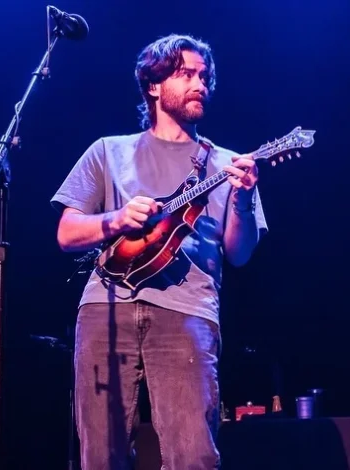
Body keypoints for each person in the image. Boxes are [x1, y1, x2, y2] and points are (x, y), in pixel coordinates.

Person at [50, 34, 268, 469]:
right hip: (105, 308)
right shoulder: (108, 151)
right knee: (102, 454)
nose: (199, 83)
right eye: (185, 74)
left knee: (193, 455)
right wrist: (115, 220)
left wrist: (244, 198)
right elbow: (66, 233)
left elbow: (239, 253)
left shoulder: (225, 164)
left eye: (204, 76)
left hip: (187, 310)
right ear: (153, 85)